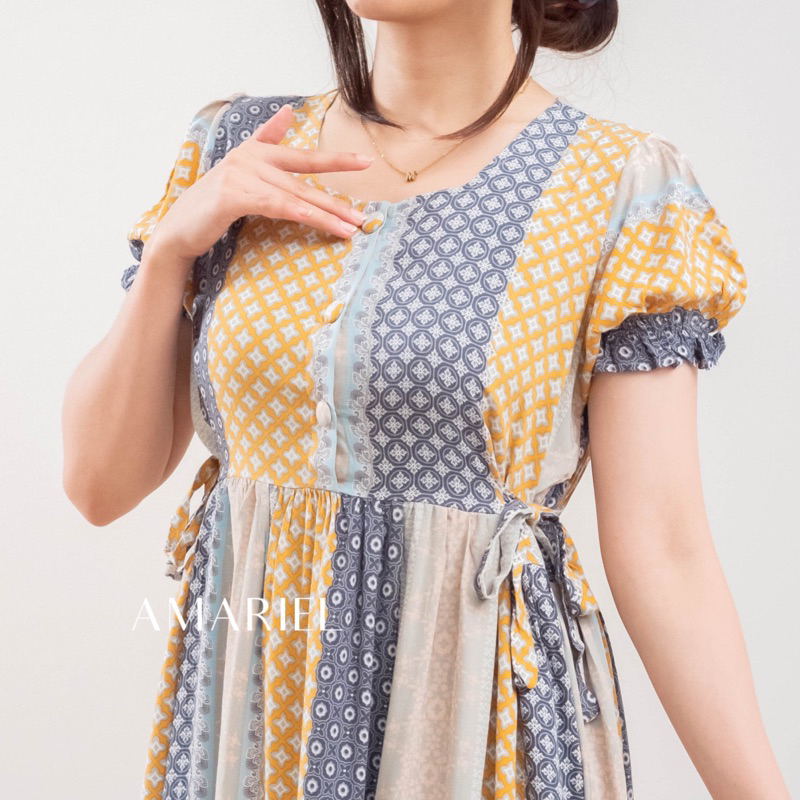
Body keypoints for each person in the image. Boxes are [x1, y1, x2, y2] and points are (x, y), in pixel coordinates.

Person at [61, 0, 790, 798]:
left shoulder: (620, 188)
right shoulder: (241, 148)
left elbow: (666, 551)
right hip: (254, 720)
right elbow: (98, 484)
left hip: (473, 727)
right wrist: (170, 251)